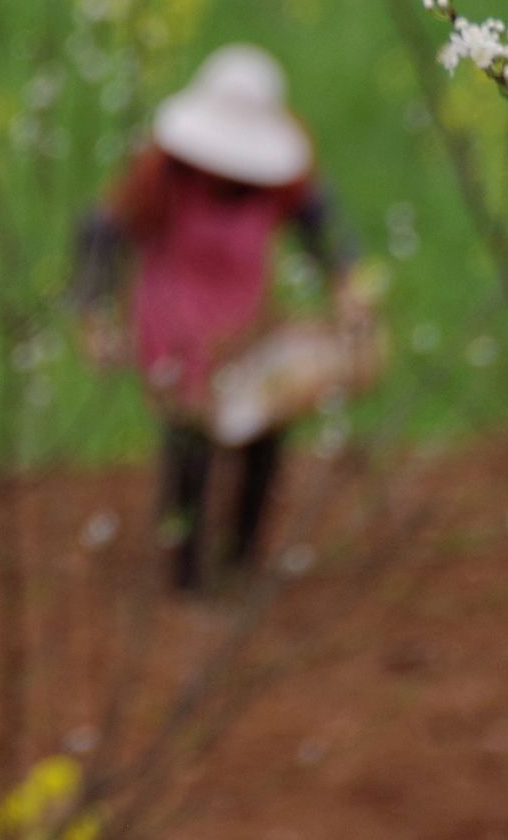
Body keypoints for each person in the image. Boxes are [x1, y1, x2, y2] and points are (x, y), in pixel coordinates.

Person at [73, 44, 357, 594]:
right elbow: (101, 235)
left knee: (263, 437)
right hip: (174, 326)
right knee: (190, 445)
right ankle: (186, 574)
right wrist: (94, 316)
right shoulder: (162, 175)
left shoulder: (282, 185)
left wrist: (346, 287)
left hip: (249, 326)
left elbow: (327, 231)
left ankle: (244, 556)